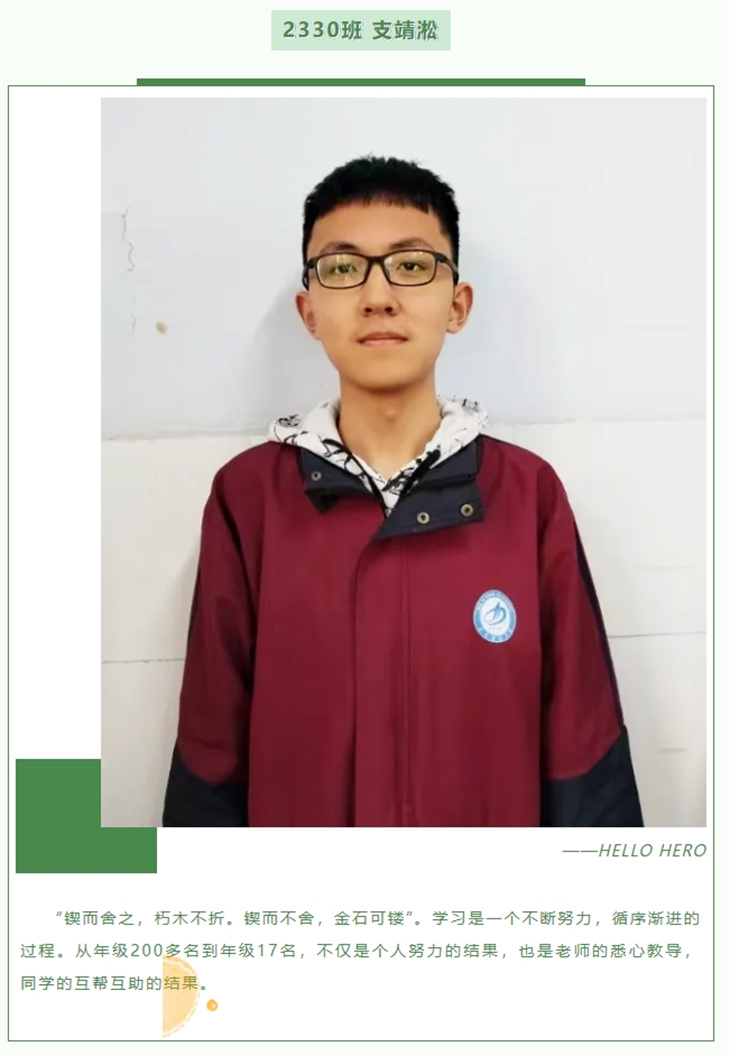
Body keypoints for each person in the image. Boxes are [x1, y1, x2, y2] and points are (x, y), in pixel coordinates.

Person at [162, 155, 643, 827]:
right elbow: (211, 752)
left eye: (412, 265)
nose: (378, 295)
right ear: (309, 311)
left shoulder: (527, 496)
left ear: (458, 304)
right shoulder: (248, 500)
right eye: (342, 268)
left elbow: (583, 750)